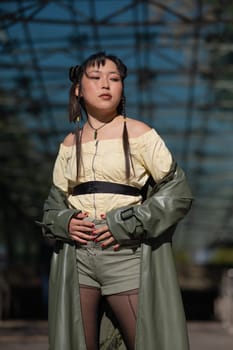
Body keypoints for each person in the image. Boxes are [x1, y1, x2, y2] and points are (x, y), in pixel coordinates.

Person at [40, 52, 193, 350]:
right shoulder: (69, 144)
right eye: (95, 78)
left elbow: (178, 191)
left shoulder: (140, 133)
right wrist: (65, 222)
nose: (106, 84)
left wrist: (131, 223)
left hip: (126, 255)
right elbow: (52, 206)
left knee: (148, 341)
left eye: (115, 78)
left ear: (123, 88)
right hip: (79, 260)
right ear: (78, 89)